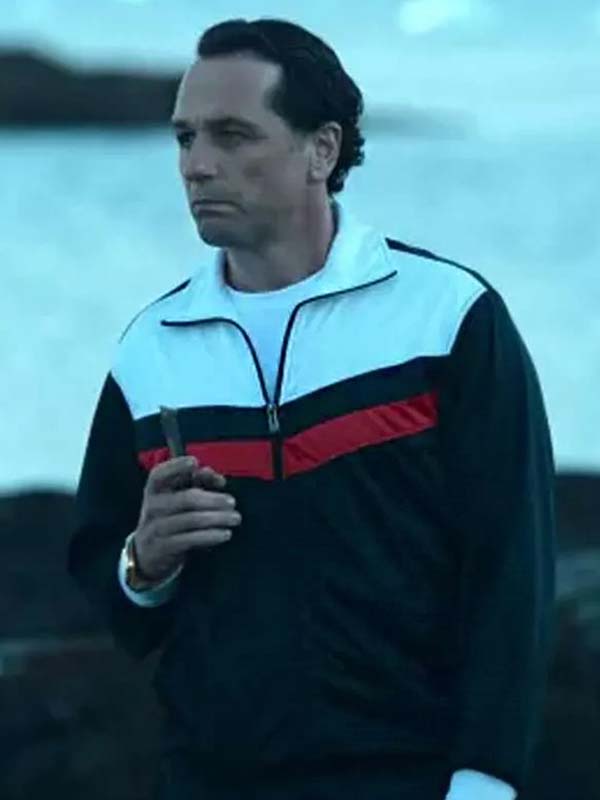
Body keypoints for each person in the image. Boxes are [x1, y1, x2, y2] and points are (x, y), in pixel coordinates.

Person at [67, 17, 556, 800]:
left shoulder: (445, 318)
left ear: (321, 150)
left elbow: (512, 572)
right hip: (210, 782)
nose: (197, 165)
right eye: (186, 138)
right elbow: (115, 583)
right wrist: (144, 563)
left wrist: (486, 780)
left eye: (232, 135)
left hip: (411, 777)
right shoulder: (152, 350)